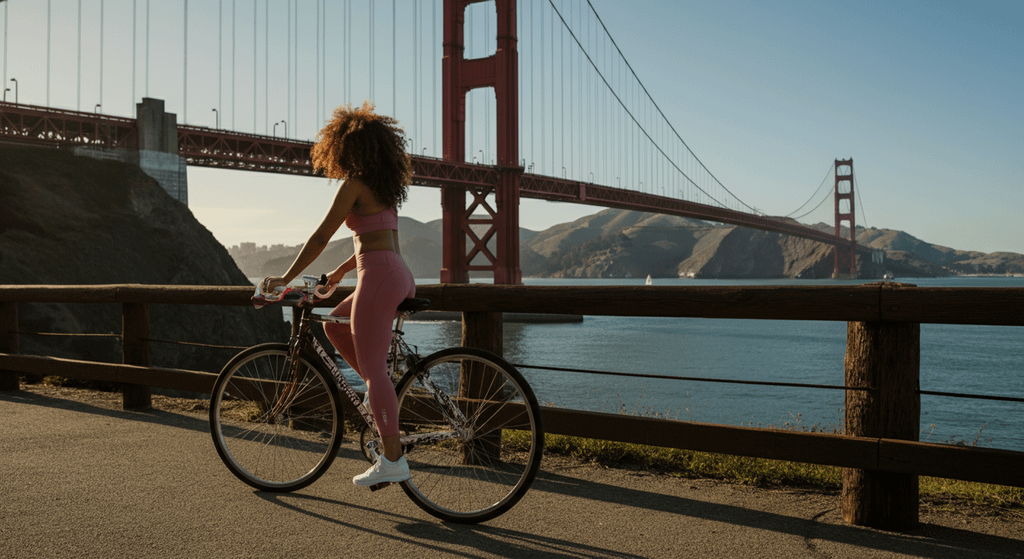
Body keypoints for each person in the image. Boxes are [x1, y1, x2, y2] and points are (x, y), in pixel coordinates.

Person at [261, 101, 416, 487]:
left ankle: (393, 459)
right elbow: (373, 241)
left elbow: (319, 237)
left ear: (345, 149)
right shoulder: (385, 188)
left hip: (379, 277)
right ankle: (378, 397)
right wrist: (340, 273)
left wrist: (284, 278)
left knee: (375, 370)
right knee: (334, 326)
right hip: (399, 274)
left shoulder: (353, 185)